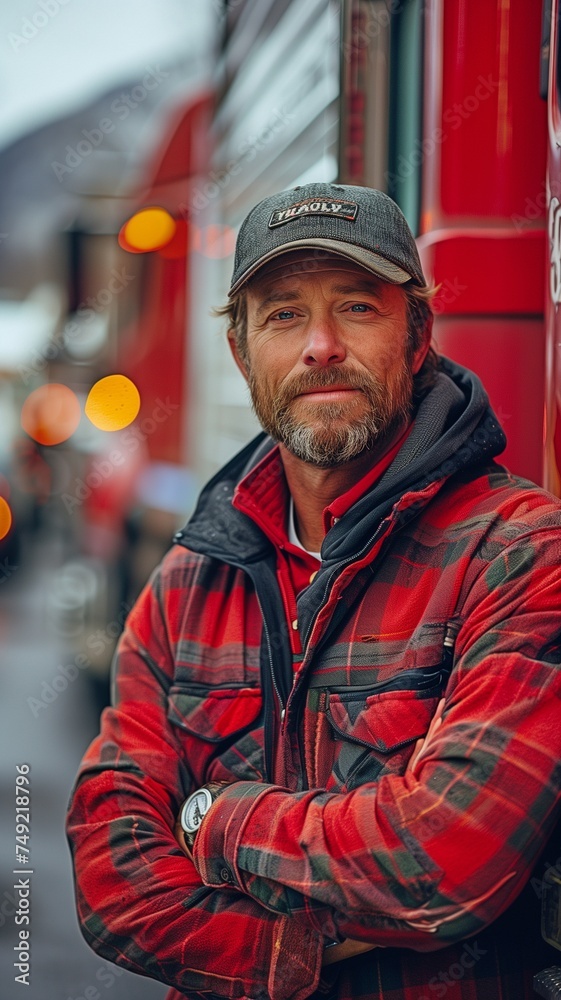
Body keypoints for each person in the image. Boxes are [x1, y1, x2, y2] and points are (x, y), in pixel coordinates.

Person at [66, 183, 561, 1000]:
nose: (320, 345)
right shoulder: (190, 580)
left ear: (417, 335)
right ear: (240, 351)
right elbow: (111, 884)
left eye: (358, 307)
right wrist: (298, 950)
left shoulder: (517, 552)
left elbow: (446, 860)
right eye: (283, 313)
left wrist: (209, 820)